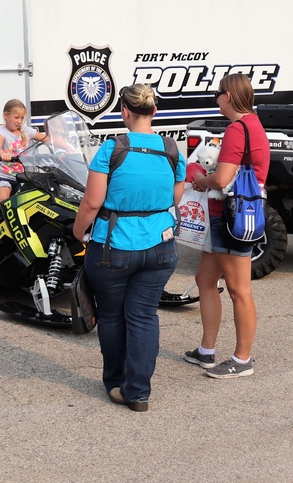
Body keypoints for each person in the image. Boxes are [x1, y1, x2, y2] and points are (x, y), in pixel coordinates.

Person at [72, 84, 186, 411]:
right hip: (161, 249)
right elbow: (174, 198)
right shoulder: (170, 149)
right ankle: (138, 392)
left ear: (124, 111)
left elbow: (92, 203)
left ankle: (115, 382)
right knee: (144, 316)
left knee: (112, 316)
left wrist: (79, 232)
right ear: (154, 112)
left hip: (113, 248)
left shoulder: (112, 149)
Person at [184, 73, 270, 378]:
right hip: (235, 214)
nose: (217, 100)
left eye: (218, 94)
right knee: (205, 279)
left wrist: (200, 180)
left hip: (230, 217)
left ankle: (242, 359)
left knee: (238, 289)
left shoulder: (237, 128)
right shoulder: (254, 125)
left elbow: (221, 179)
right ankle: (206, 350)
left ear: (229, 96)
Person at [0, 99, 47, 249]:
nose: (19, 121)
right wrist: (2, 153)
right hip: (3, 177)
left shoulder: (27, 131)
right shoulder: (2, 134)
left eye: (22, 118)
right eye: (16, 117)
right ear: (5, 116)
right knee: (1, 205)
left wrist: (66, 147)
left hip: (22, 177)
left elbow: (46, 139)